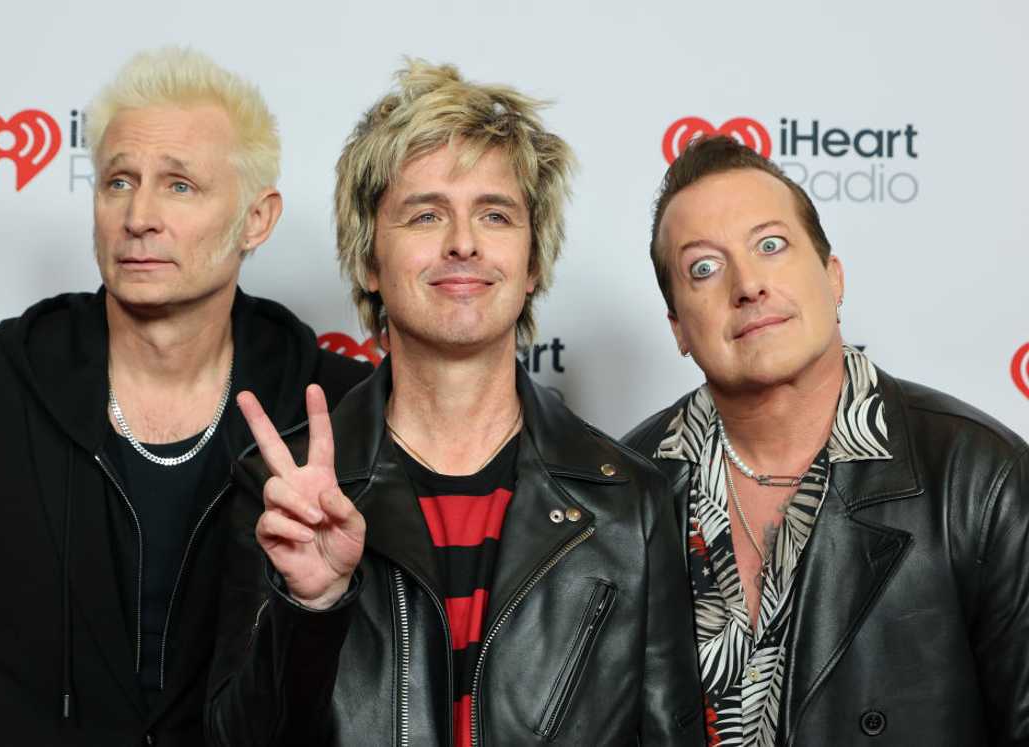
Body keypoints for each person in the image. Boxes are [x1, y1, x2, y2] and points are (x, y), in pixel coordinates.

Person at [204, 61, 704, 746]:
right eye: (426, 214)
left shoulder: (630, 502)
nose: (463, 242)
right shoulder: (280, 488)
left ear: (532, 262)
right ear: (369, 261)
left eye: (494, 214)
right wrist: (311, 608)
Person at [0, 47, 370, 746]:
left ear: (256, 218)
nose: (138, 216)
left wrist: (318, 598)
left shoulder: (329, 406)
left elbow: (340, 672)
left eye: (180, 186)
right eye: (119, 181)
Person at [624, 135, 1029, 746]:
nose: (748, 284)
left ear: (833, 278)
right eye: (704, 267)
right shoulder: (626, 489)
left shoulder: (978, 476)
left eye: (770, 245)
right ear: (679, 327)